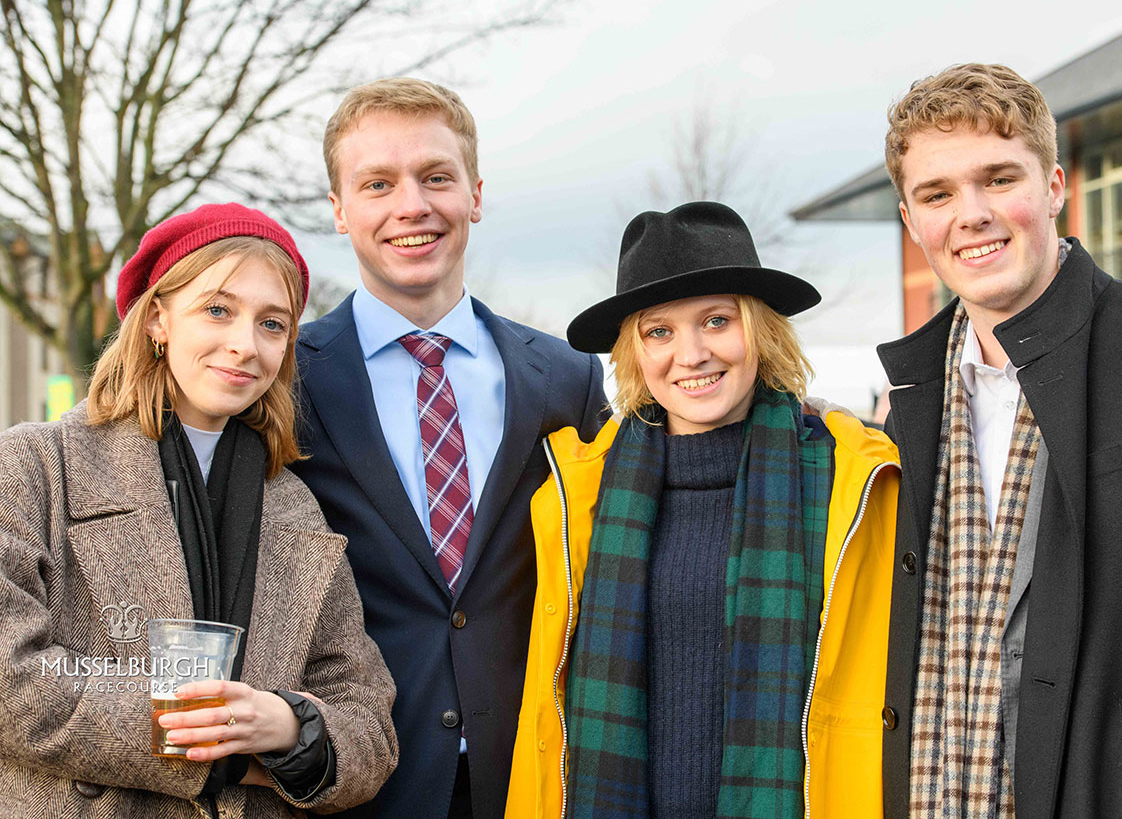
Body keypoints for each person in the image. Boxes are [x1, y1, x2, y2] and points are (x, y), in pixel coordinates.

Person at [877, 62, 1122, 817]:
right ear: (911, 220)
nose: (972, 214)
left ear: (1055, 186)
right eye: (938, 193)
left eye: (999, 178)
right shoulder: (910, 406)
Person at [0, 203, 398, 817]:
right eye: (218, 310)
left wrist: (290, 727)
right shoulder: (33, 466)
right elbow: (11, 682)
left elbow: (368, 721)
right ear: (157, 317)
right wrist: (223, 745)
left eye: (273, 323)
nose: (245, 345)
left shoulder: (295, 505)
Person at [506, 201, 900, 818]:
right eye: (658, 331)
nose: (690, 354)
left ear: (760, 329)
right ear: (634, 352)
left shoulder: (851, 480)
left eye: (716, 321)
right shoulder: (577, 492)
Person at [291, 78, 608, 819]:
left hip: (535, 776)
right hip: (359, 780)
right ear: (339, 210)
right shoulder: (282, 384)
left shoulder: (567, 378)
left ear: (474, 193)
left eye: (436, 176)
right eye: (378, 183)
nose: (412, 205)